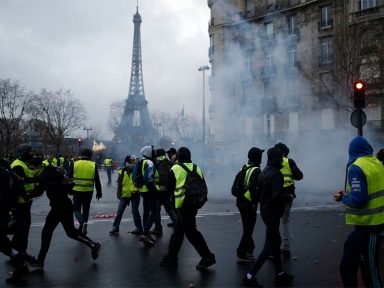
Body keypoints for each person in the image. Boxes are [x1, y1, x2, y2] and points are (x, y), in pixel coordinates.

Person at [27, 164, 101, 271]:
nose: (31, 170)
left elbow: (38, 189)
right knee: (70, 232)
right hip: (64, 205)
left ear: (37, 167)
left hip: (59, 207)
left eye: (32, 169)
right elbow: (42, 188)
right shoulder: (51, 172)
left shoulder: (46, 175)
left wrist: (27, 195)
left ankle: (40, 261)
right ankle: (93, 245)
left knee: (47, 233)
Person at [333, 136, 384, 287]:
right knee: (347, 266)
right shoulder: (377, 163)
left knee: (370, 273)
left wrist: (342, 198)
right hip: (369, 227)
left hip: (370, 229)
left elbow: (358, 201)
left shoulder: (356, 167)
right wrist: (348, 195)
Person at [243, 147, 293, 287]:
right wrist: (287, 196)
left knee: (275, 242)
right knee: (269, 245)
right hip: (273, 213)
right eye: (281, 157)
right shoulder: (276, 174)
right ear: (278, 159)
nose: (282, 160)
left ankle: (280, 273)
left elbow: (257, 192)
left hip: (265, 211)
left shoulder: (263, 172)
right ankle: (249, 276)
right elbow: (276, 195)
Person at [159, 146, 216, 270]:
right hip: (195, 203)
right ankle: (171, 258)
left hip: (183, 205)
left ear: (178, 156)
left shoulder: (175, 168)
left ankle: (207, 257)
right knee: (180, 232)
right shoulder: (196, 167)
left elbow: (169, 188)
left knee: (190, 232)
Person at [10, 144, 42, 255]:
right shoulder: (18, 165)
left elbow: (26, 177)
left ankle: (15, 249)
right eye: (30, 151)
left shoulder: (23, 164)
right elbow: (17, 184)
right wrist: (25, 195)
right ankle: (21, 251)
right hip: (21, 202)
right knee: (22, 228)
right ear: (24, 152)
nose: (32, 153)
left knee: (22, 227)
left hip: (25, 201)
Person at [0, 158, 29, 282]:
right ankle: (19, 258)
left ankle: (19, 258)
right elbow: (19, 186)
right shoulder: (7, 172)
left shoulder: (4, 174)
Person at [274, 142, 303, 255]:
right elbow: (299, 176)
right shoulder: (289, 162)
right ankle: (286, 246)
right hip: (288, 196)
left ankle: (273, 246)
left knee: (274, 222)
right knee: (285, 221)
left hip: (276, 196)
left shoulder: (273, 162)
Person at [235, 147, 263, 261]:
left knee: (246, 226)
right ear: (258, 157)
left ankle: (250, 248)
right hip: (248, 202)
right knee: (249, 228)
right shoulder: (256, 170)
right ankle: (241, 252)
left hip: (240, 201)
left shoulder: (244, 166)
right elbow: (253, 188)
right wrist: (254, 203)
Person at [70, 148, 102, 235]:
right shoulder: (93, 164)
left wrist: (69, 190)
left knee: (76, 209)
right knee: (86, 209)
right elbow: (97, 180)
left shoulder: (75, 164)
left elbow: (69, 178)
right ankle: (84, 228)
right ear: (90, 156)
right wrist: (99, 192)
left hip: (77, 190)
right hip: (88, 191)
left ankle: (81, 222)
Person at [109, 155, 141, 235]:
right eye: (132, 160)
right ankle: (115, 227)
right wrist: (118, 194)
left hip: (134, 194)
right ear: (128, 161)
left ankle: (139, 228)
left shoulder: (137, 170)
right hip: (124, 194)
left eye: (134, 160)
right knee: (119, 211)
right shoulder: (122, 171)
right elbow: (120, 184)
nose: (134, 161)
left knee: (135, 212)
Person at [152, 148, 178, 235]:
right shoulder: (167, 162)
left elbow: (163, 177)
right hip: (166, 190)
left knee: (156, 209)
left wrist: (156, 182)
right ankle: (178, 224)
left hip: (160, 190)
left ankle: (158, 228)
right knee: (169, 208)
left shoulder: (162, 163)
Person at [138, 146, 159, 246]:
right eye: (153, 151)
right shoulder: (149, 163)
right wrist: (154, 191)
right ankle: (145, 233)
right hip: (149, 190)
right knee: (155, 211)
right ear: (149, 152)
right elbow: (148, 179)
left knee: (146, 212)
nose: (155, 153)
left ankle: (145, 233)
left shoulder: (142, 161)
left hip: (143, 190)